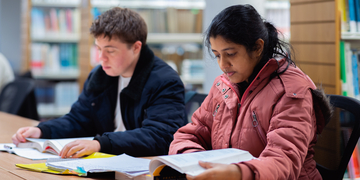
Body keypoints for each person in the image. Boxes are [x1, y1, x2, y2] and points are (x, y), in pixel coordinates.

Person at [169, 4, 332, 180]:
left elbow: (283, 162)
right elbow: (189, 135)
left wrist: (239, 173)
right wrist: (196, 162)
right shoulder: (222, 86)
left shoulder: (290, 91)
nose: (223, 65)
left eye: (230, 54)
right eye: (217, 55)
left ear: (257, 48)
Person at [12, 7, 187, 158]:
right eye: (99, 49)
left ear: (136, 47)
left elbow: (161, 136)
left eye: (110, 51)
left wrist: (101, 144)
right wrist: (43, 131)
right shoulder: (100, 75)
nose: (101, 58)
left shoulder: (165, 81)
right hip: (111, 162)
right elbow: (78, 120)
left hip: (146, 168)